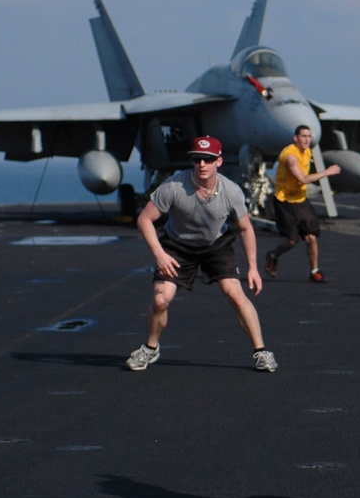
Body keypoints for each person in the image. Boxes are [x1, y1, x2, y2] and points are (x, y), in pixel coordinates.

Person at [125, 136, 278, 373]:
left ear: (218, 161)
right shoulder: (174, 187)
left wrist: (253, 268)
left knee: (235, 294)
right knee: (160, 299)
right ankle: (150, 349)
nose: (202, 165)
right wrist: (160, 255)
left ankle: (262, 352)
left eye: (208, 159)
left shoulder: (231, 191)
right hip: (177, 247)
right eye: (197, 159)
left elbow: (246, 228)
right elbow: (144, 220)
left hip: (216, 245)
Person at [264, 125, 341, 283]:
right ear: (296, 138)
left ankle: (314, 271)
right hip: (284, 200)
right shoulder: (290, 155)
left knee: (312, 237)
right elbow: (303, 179)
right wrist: (327, 172)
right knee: (292, 241)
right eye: (303, 136)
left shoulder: (307, 151)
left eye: (308, 136)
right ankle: (272, 256)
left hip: (300, 199)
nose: (306, 139)